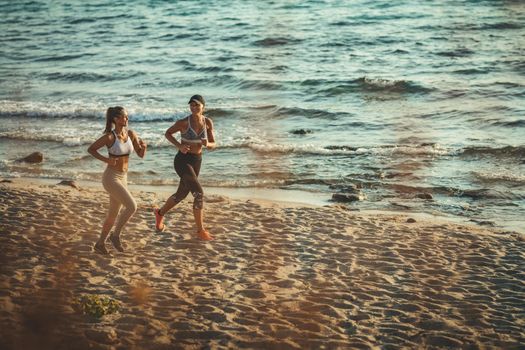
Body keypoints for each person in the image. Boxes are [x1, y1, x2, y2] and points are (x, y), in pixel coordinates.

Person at [154, 94, 216, 240]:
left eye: (197, 105)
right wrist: (179, 145)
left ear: (203, 106)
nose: (194, 107)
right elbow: (168, 133)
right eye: (191, 105)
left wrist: (207, 144)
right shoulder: (183, 123)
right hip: (182, 161)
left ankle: (160, 213)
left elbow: (214, 144)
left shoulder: (208, 122)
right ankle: (200, 231)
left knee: (181, 194)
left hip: (197, 161)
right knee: (198, 193)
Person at [87, 106, 147, 254]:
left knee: (113, 214)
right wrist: (106, 160)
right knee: (132, 206)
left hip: (123, 177)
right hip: (111, 177)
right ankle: (115, 236)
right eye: (124, 117)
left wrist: (144, 147)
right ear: (115, 119)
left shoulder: (131, 134)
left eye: (127, 116)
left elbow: (140, 154)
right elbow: (91, 149)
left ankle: (100, 244)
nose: (127, 119)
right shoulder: (110, 137)